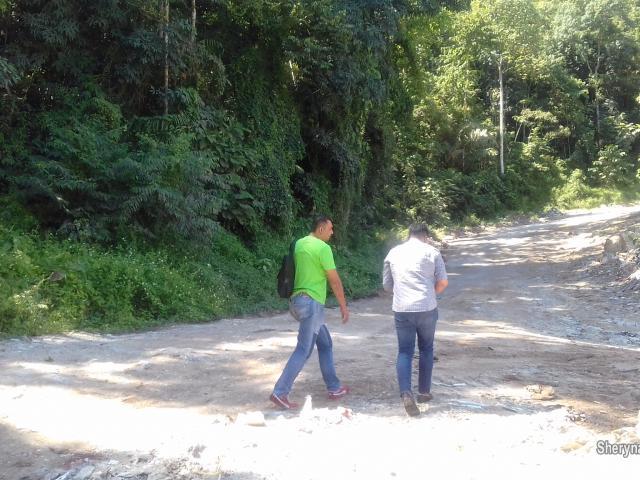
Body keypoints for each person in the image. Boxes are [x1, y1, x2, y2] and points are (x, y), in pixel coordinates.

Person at [270, 216, 350, 410]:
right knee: (303, 349)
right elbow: (334, 281)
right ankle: (280, 392)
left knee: (325, 344)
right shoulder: (323, 248)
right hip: (311, 303)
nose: (332, 232)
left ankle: (334, 387)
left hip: (296, 302)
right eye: (330, 229)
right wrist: (343, 306)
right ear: (321, 229)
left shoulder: (298, 244)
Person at [382, 223, 448, 417]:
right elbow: (443, 282)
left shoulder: (393, 253)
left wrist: (402, 291)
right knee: (426, 349)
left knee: (404, 351)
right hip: (427, 308)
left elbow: (386, 286)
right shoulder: (432, 252)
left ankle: (406, 393)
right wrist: (430, 294)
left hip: (402, 309)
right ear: (425, 236)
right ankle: (424, 392)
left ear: (409, 235)